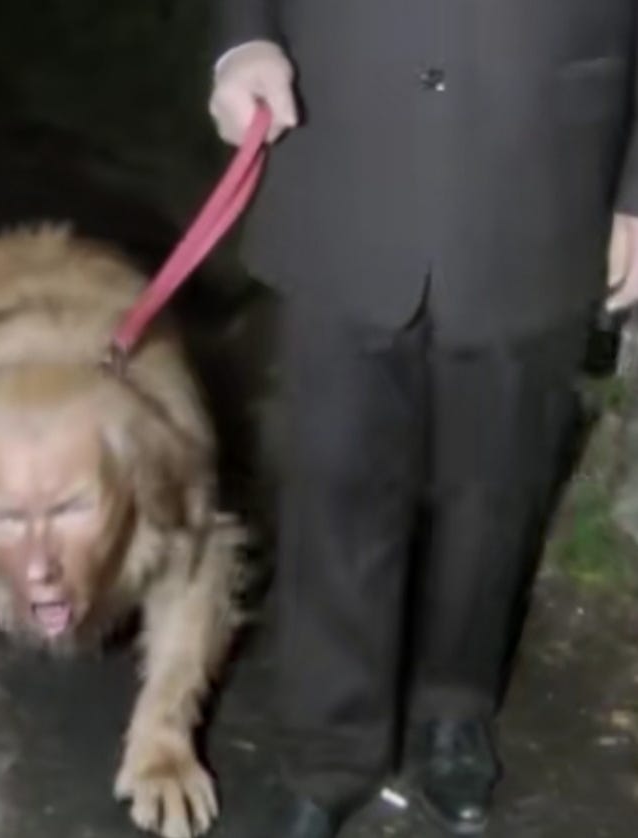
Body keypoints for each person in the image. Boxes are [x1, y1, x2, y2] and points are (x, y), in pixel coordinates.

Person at [208, 2, 638, 836]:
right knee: (333, 483)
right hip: (342, 153)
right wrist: (244, 39)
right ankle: (329, 752)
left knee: (494, 487)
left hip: (545, 170)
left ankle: (455, 705)